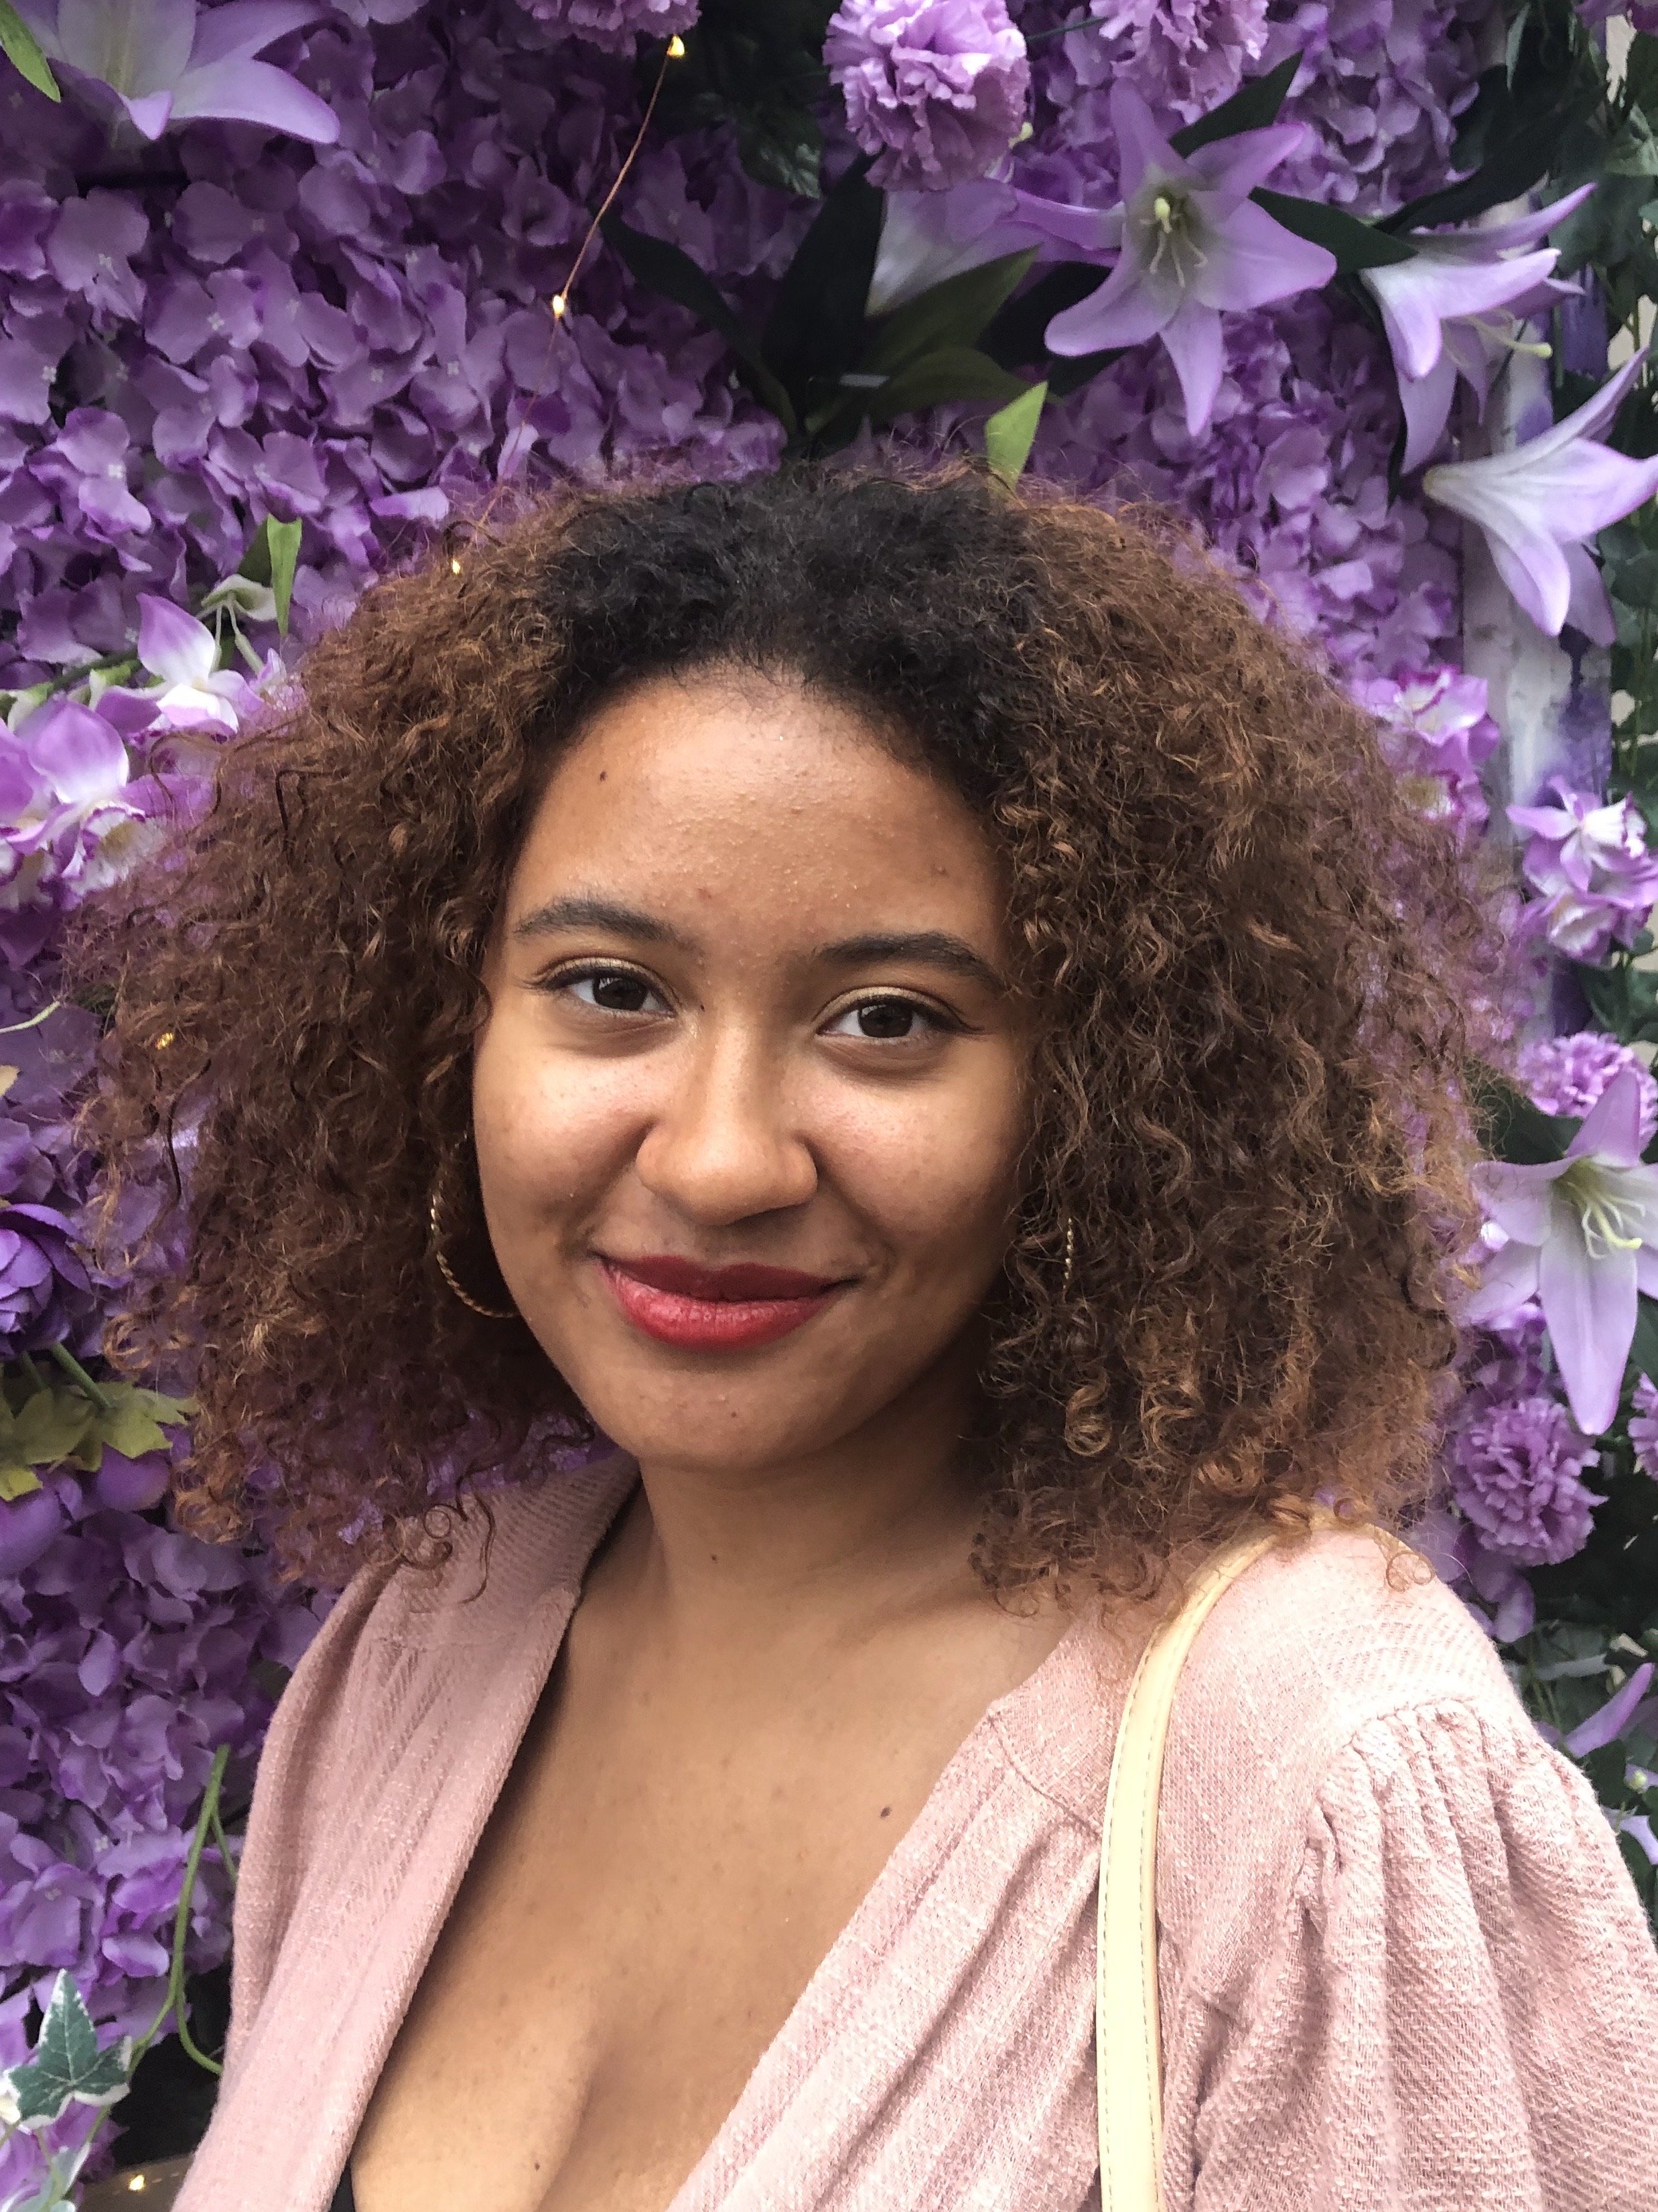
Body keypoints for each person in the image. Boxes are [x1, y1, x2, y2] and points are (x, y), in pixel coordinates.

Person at [84, 467, 1658, 2212]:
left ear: (1102, 1087)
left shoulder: (1319, 1802)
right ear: (450, 1021)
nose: (720, 1158)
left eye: (887, 1020)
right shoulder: (428, 1639)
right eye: (612, 988)